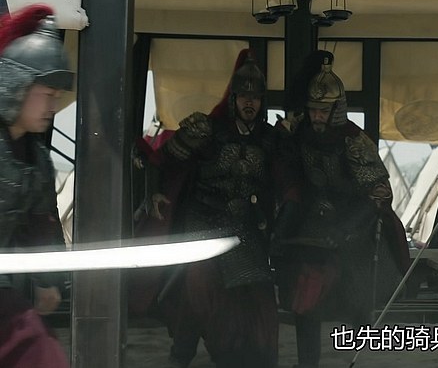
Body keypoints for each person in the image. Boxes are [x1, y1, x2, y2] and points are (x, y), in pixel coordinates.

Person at [146, 50, 288, 368]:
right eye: (244, 97)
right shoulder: (207, 130)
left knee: (259, 298)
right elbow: (163, 159)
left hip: (245, 226)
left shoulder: (270, 139)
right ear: (234, 98)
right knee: (198, 292)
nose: (249, 103)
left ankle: (258, 358)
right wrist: (155, 191)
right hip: (204, 223)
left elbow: (287, 176)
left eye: (256, 97)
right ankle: (184, 353)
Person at [273, 51, 410, 368]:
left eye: (323, 110)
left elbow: (379, 193)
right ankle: (308, 363)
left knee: (356, 302)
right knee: (306, 298)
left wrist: (347, 227)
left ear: (336, 109)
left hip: (353, 231)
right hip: (311, 224)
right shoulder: (301, 133)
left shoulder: (354, 142)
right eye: (313, 109)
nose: (317, 116)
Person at [0, 4, 72, 368]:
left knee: (39, 351)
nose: (53, 106)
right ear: (16, 85)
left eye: (57, 97)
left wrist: (47, 280)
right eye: (47, 94)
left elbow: (42, 224)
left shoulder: (37, 159)